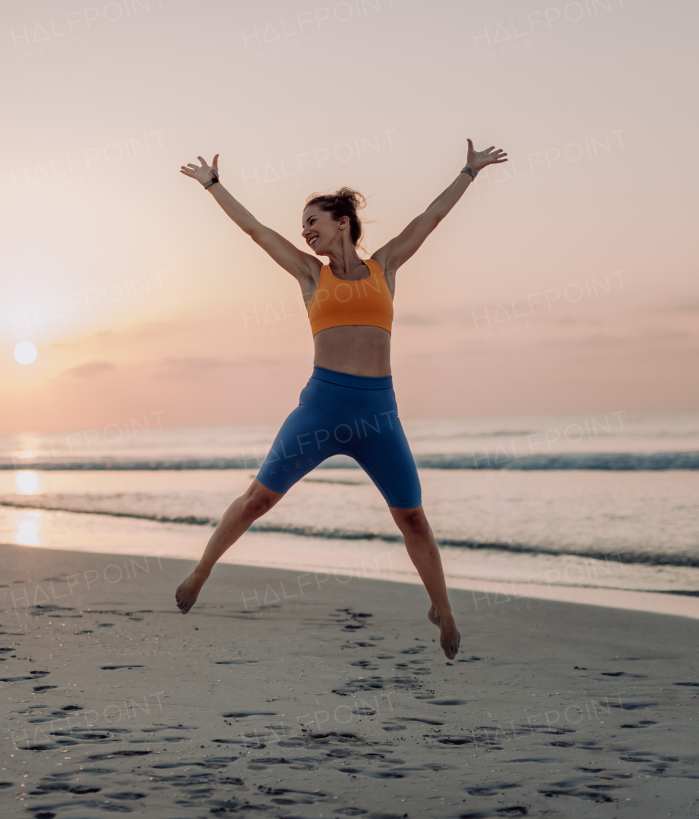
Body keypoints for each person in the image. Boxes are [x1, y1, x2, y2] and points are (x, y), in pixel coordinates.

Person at [174, 140, 508, 659]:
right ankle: (200, 572)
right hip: (320, 410)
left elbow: (431, 217)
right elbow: (255, 231)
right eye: (303, 223)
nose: (305, 230)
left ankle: (443, 610)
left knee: (413, 518)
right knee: (259, 499)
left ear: (343, 223)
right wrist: (214, 186)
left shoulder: (386, 267)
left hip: (380, 416)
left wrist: (469, 171)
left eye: (314, 220)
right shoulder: (312, 275)